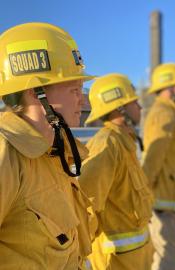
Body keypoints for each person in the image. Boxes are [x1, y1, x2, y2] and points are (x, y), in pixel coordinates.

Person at [0, 22, 96, 269]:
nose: (82, 99)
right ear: (36, 91)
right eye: (74, 89)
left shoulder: (54, 151)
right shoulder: (6, 153)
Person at [78, 73, 154, 270]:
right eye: (134, 102)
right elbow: (87, 206)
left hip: (135, 258)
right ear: (120, 108)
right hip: (116, 263)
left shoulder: (124, 142)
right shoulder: (106, 145)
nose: (140, 107)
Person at [143, 63, 175, 270]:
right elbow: (153, 157)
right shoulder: (164, 113)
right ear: (169, 89)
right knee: (169, 255)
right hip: (165, 197)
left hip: (173, 193)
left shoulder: (171, 112)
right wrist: (144, 193)